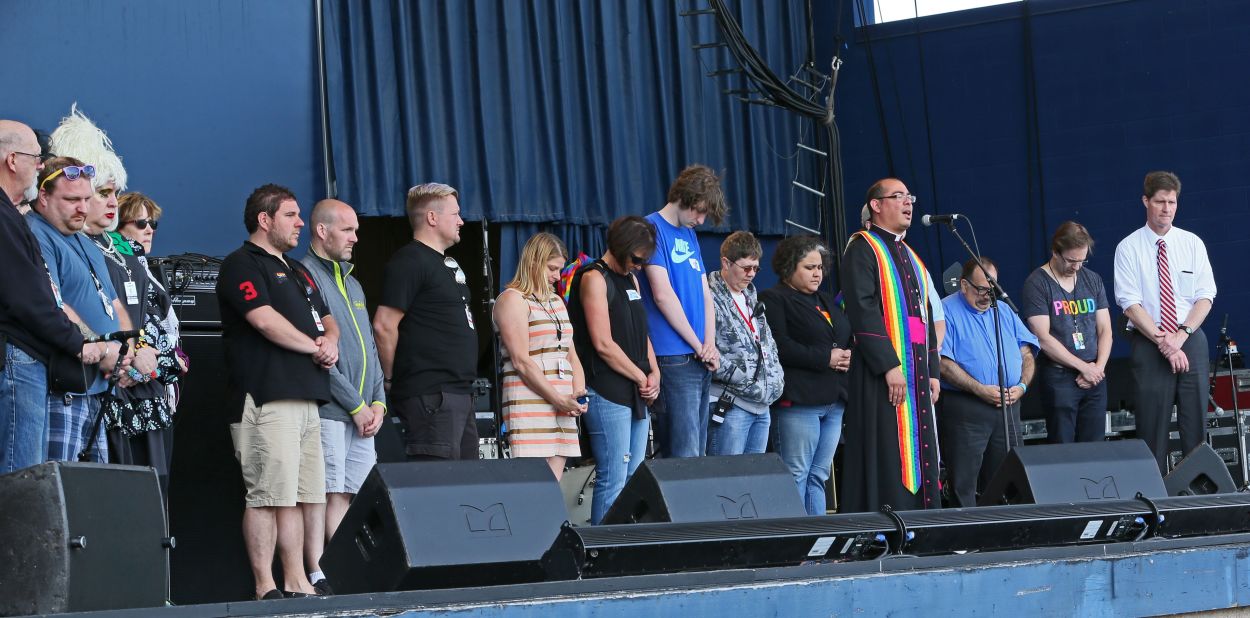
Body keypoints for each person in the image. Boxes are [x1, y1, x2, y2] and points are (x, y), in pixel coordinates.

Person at [216, 184, 338, 600]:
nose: (301, 223)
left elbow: (327, 317)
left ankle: (297, 581)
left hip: (307, 397)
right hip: (266, 396)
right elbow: (264, 321)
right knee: (268, 495)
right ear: (264, 220)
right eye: (291, 215)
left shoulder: (300, 270)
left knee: (302, 498)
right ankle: (265, 587)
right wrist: (315, 346)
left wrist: (331, 341)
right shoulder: (241, 264)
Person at [49, 106, 175, 474]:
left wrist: (147, 353)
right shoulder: (66, 243)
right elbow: (65, 307)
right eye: (102, 192)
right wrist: (120, 354)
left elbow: (153, 313)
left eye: (113, 193)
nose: (109, 202)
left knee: (149, 492)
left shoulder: (123, 248)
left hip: (140, 381)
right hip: (97, 382)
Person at [0, 120, 101, 472]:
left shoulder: (11, 216)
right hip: (18, 357)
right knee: (20, 477)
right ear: (12, 160)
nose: (41, 165)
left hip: (27, 356)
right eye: (36, 158)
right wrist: (78, 343)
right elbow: (27, 297)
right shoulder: (5, 218)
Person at [840, 178, 942, 512]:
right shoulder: (863, 247)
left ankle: (921, 524)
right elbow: (862, 309)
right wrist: (890, 365)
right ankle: (888, 526)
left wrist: (932, 371)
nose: (908, 202)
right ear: (876, 205)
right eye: (898, 196)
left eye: (909, 196)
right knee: (887, 448)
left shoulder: (909, 254)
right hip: (881, 374)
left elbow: (922, 320)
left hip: (914, 373)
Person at [299, 198, 385, 596]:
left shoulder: (353, 283)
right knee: (327, 491)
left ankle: (344, 570)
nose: (355, 238)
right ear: (322, 231)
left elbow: (370, 346)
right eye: (348, 230)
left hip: (364, 414)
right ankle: (322, 573)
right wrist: (356, 405)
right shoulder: (304, 276)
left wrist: (379, 403)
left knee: (350, 493)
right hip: (334, 411)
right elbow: (319, 354)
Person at [29, 157, 132, 464]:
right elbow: (53, 301)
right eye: (72, 199)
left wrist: (126, 348)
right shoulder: (35, 233)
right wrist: (102, 349)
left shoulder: (85, 241)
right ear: (43, 196)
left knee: (89, 497)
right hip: (63, 387)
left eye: (87, 199)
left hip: (95, 389)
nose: (83, 209)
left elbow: (113, 303)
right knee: (57, 492)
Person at [1114, 171, 1216, 473]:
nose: (1167, 209)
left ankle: (1199, 490)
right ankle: (1156, 501)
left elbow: (1205, 296)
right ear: (1146, 201)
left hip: (1190, 338)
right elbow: (1130, 305)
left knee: (1194, 422)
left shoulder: (1192, 243)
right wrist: (1164, 343)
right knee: (1152, 426)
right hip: (1149, 340)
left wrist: (1181, 336)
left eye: (1172, 202)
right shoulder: (1128, 247)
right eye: (1160, 202)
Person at [374, 183, 479, 461]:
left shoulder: (443, 263)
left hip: (458, 391)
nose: (461, 221)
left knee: (468, 488)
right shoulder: (409, 261)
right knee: (439, 485)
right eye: (455, 214)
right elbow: (384, 325)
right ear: (432, 218)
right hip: (433, 393)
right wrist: (390, 379)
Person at [567, 216, 660, 524]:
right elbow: (602, 343)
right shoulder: (594, 277)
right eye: (636, 258)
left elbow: (641, 332)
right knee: (614, 475)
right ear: (621, 248)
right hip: (607, 388)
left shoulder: (631, 279)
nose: (640, 266)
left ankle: (624, 544)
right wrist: (640, 376)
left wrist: (655, 372)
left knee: (634, 476)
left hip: (636, 387)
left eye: (645, 261)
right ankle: (603, 550)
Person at [636, 164, 727, 458]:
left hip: (698, 354)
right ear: (683, 198)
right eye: (698, 211)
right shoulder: (651, 229)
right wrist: (699, 344)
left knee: (697, 451)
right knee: (683, 453)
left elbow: (705, 293)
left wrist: (709, 344)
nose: (701, 220)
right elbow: (662, 295)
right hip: (673, 354)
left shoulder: (689, 235)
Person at [761, 235, 851, 515]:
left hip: (833, 400)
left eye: (820, 267)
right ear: (789, 267)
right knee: (796, 474)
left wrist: (845, 355)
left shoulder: (825, 299)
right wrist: (826, 358)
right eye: (809, 267)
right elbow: (780, 347)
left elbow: (842, 336)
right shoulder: (774, 299)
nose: (817, 273)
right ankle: (798, 546)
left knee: (819, 476)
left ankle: (819, 546)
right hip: (799, 401)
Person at [939, 258, 1038, 507]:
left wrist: (1022, 386)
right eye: (981, 289)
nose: (987, 295)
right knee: (965, 481)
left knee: (1012, 477)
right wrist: (980, 389)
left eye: (992, 288)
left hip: (1008, 406)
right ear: (963, 285)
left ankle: (1009, 532)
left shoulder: (1002, 310)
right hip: (967, 407)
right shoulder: (945, 311)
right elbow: (943, 363)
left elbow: (1027, 353)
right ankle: (965, 537)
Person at [495, 232, 587, 480]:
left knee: (553, 484)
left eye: (559, 269)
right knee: (532, 483)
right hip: (531, 398)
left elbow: (572, 354)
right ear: (534, 262)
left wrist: (578, 393)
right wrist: (557, 398)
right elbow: (521, 361)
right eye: (552, 269)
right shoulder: (513, 299)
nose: (557, 276)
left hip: (562, 401)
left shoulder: (556, 301)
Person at [1021, 222, 1112, 443]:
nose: (1077, 267)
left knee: (1096, 447)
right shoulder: (1037, 283)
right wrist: (1084, 368)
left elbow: (1105, 330)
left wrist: (1097, 368)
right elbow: (1042, 337)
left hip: (1094, 375)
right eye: (1071, 261)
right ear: (1055, 251)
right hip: (1060, 377)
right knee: (1063, 447)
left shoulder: (1092, 280)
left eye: (1082, 261)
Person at [707, 231, 783, 457]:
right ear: (726, 262)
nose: (751, 274)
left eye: (756, 268)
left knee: (751, 484)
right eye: (746, 268)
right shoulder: (708, 296)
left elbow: (768, 344)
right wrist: (747, 383)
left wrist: (776, 379)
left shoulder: (751, 295)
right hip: (731, 404)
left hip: (762, 405)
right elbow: (707, 351)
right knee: (725, 481)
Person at [118, 192, 190, 414]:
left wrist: (176, 358)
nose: (150, 230)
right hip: (134, 392)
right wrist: (162, 363)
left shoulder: (145, 270)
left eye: (152, 223)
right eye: (141, 223)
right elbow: (136, 327)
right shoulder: (121, 269)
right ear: (118, 226)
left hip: (155, 385)